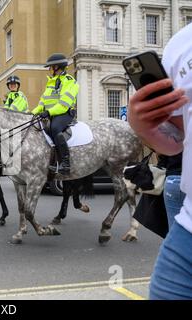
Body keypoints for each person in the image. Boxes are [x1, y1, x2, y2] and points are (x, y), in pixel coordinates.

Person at [128, 23, 192, 300]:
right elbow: (177, 138)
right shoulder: (181, 44)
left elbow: (63, 103)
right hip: (189, 231)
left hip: (59, 116)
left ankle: (64, 162)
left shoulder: (66, 82)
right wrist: (143, 127)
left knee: (58, 130)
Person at [32, 53, 79, 175]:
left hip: (65, 113)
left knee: (54, 128)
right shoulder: (51, 82)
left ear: (57, 67)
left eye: (51, 67)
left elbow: (64, 104)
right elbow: (42, 102)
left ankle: (65, 163)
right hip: (51, 113)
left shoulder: (70, 81)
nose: (49, 69)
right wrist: (31, 114)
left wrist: (48, 112)